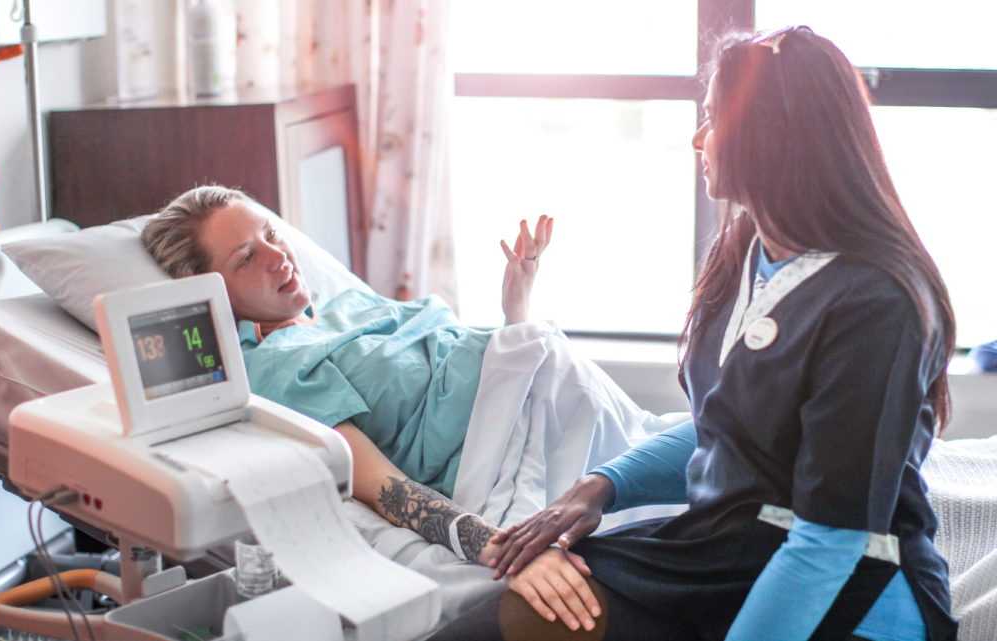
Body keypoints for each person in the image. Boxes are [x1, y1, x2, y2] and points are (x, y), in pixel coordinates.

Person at [429, 26, 959, 641]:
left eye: (712, 118)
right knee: (501, 622)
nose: (698, 139)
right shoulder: (748, 249)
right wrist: (601, 486)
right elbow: (729, 426)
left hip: (850, 585)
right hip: (722, 554)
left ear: (771, 135)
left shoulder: (877, 303)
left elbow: (831, 542)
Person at [142, 184, 659, 626]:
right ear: (212, 293)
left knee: (706, 474)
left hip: (562, 400)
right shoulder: (276, 368)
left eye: (271, 234)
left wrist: (515, 309)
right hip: (513, 449)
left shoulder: (346, 306)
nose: (278, 256)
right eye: (247, 258)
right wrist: (510, 552)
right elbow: (380, 485)